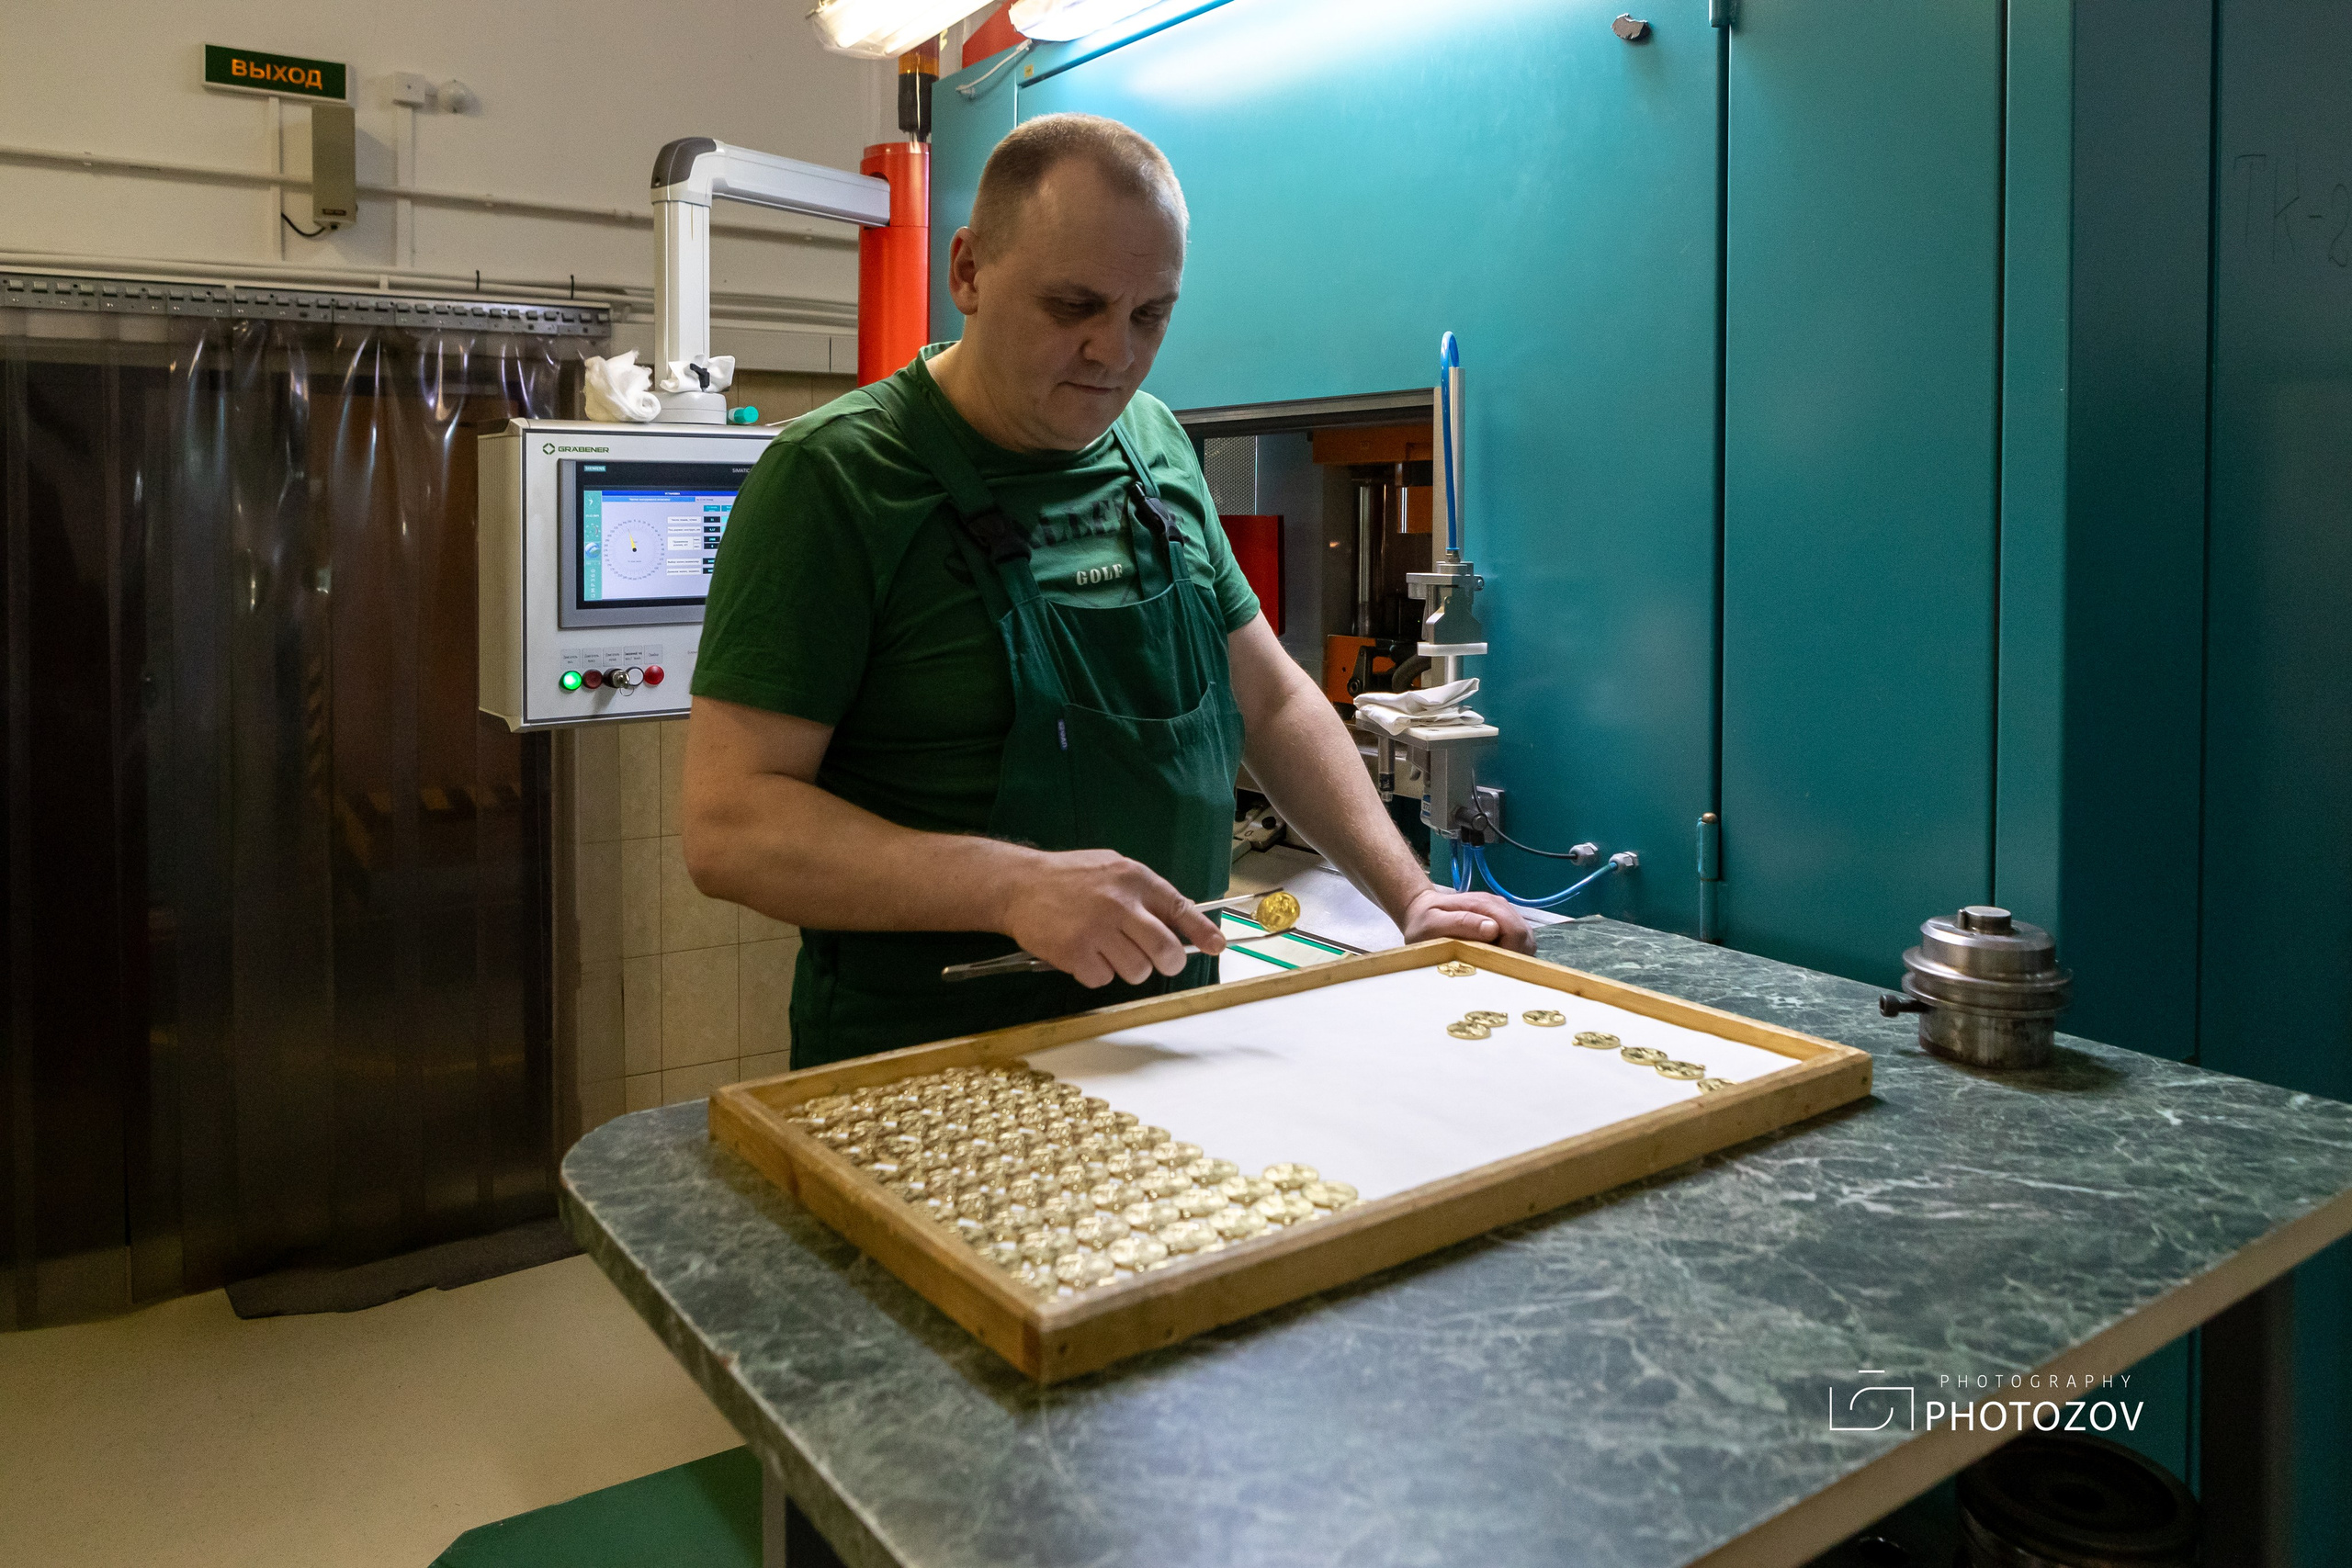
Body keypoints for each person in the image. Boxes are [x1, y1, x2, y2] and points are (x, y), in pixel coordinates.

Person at [681, 112, 1530, 1068]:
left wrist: (1406, 892)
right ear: (965, 271)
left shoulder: (1154, 446)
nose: (1112, 354)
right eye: (1071, 307)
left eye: (1148, 315)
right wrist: (1006, 887)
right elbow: (731, 824)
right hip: (930, 1058)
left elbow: (1271, 698)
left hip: (1168, 1037)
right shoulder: (833, 479)